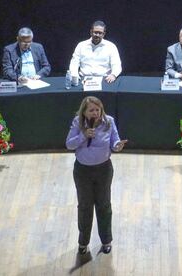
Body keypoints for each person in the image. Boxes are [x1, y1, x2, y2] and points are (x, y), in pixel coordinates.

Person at [66, 96, 127, 255]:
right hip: (83, 171)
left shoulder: (109, 122)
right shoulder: (78, 123)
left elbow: (114, 141)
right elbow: (69, 144)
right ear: (84, 112)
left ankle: (106, 240)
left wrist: (117, 146)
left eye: (98, 110)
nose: (95, 113)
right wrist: (83, 135)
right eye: (91, 110)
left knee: (104, 205)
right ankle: (83, 242)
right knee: (85, 206)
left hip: (103, 170)